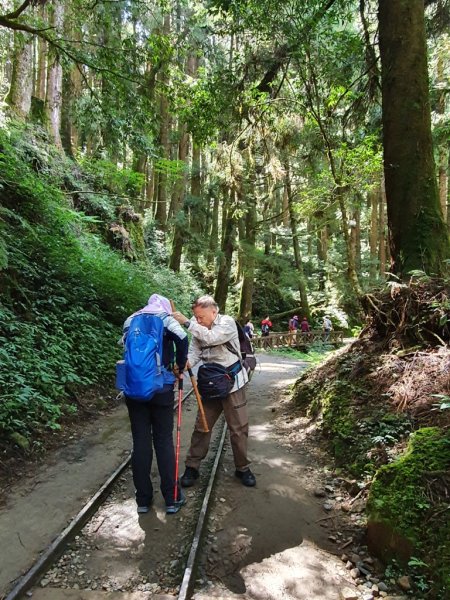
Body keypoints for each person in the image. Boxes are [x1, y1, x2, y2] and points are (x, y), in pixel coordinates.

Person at [172, 295, 256, 488]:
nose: (197, 320)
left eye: (200, 317)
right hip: (210, 385)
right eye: (195, 317)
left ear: (214, 311)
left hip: (233, 383)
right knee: (202, 425)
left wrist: (186, 322)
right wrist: (186, 364)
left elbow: (212, 337)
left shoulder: (226, 323)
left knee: (238, 428)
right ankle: (192, 467)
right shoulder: (197, 326)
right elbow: (195, 351)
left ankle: (242, 467)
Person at [122, 294, 188, 515]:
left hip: (134, 388)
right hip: (161, 387)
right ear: (165, 306)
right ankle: (171, 498)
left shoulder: (131, 320)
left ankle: (143, 500)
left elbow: (124, 345)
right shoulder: (166, 318)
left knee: (140, 441)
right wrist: (180, 365)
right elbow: (183, 338)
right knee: (163, 441)